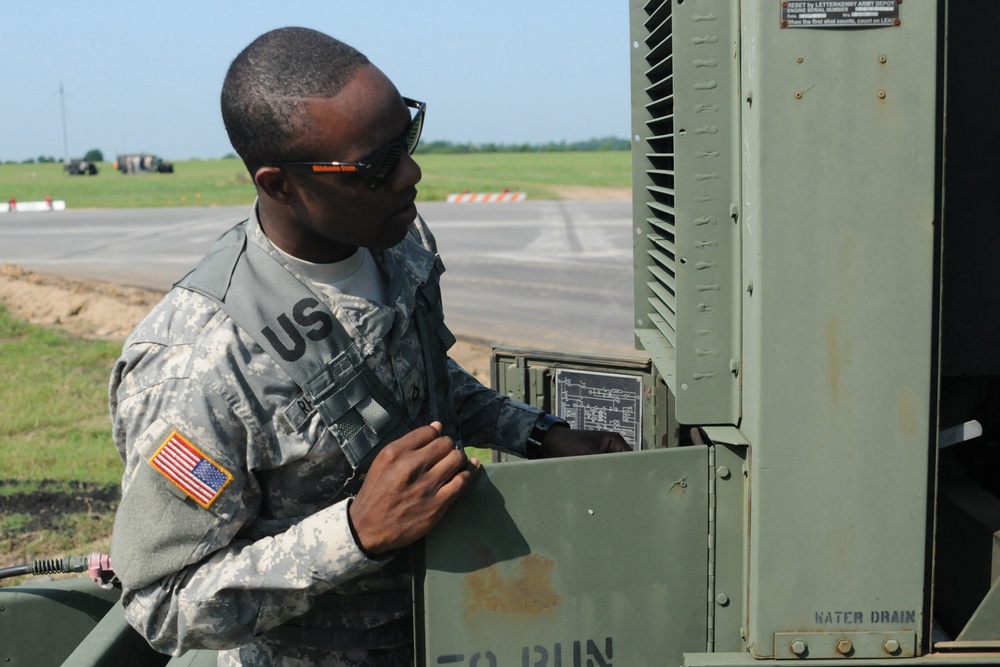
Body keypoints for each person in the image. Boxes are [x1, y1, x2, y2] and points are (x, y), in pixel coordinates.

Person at [109, 26, 629, 667]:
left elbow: (421, 384)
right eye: (375, 167)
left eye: (405, 140)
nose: (410, 174)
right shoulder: (201, 364)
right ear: (280, 185)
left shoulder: (396, 241)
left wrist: (537, 434)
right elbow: (163, 604)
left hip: (455, 629)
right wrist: (356, 533)